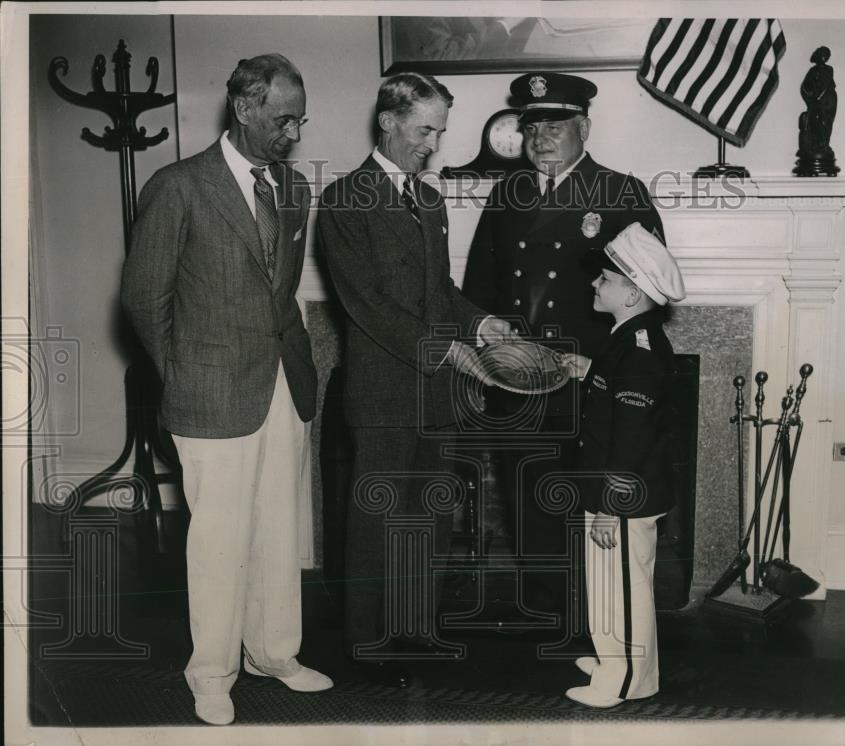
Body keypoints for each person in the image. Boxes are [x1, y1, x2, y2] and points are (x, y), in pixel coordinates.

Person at [121, 54, 332, 725]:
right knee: (218, 539)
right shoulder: (179, 185)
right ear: (244, 108)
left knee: (280, 525)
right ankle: (211, 671)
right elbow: (143, 298)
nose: (293, 133)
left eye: (300, 120)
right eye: (281, 119)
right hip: (209, 389)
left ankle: (274, 651)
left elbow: (280, 289)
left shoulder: (293, 187)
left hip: (282, 383)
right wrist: (182, 375)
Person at [315, 72, 512, 687]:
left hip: (434, 395)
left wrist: (482, 325)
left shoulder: (429, 199)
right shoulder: (346, 200)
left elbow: (441, 292)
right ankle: (368, 646)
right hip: (381, 394)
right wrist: (450, 350)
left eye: (440, 131)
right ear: (389, 121)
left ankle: (416, 630)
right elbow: (366, 306)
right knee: (376, 523)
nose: (434, 144)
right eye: (425, 130)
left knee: (428, 517)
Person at [462, 71, 664, 626]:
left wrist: (608, 369)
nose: (541, 138)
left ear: (584, 128)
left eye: (555, 126)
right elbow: (480, 285)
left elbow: (646, 298)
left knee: (590, 506)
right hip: (518, 378)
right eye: (532, 129)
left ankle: (597, 626)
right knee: (529, 502)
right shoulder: (508, 193)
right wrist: (486, 354)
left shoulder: (621, 193)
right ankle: (547, 621)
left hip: (588, 380)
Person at [558, 221, 686, 708]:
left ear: (632, 295)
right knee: (608, 584)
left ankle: (629, 678)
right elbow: (623, 391)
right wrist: (589, 371)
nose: (596, 283)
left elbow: (633, 434)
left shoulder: (639, 351)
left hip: (623, 496)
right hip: (610, 491)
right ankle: (614, 656)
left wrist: (612, 505)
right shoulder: (627, 337)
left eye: (606, 279)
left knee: (625, 589)